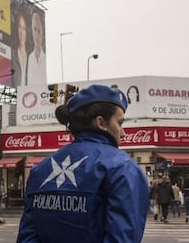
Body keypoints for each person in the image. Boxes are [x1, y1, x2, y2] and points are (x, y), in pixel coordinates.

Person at [17, 84, 149, 242]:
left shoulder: (40, 169)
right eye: (120, 123)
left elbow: (28, 236)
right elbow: (122, 238)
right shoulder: (122, 167)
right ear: (101, 123)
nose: (123, 132)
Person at [26, 10, 46, 85]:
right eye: (34, 30)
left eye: (39, 31)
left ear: (42, 33)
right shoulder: (30, 58)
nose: (36, 35)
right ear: (31, 31)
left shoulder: (45, 59)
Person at [11, 11, 28, 87]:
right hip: (16, 96)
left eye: (24, 29)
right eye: (19, 27)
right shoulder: (12, 55)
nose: (21, 33)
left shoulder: (31, 58)